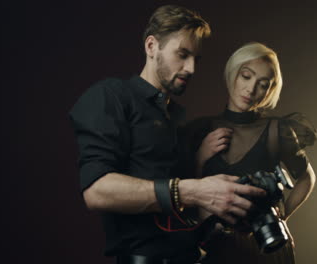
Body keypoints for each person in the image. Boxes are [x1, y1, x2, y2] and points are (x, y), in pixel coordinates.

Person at [69, 6, 266, 264]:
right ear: (152, 46)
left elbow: (178, 206)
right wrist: (193, 190)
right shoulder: (111, 96)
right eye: (182, 54)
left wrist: (221, 204)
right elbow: (97, 190)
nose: (191, 68)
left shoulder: (177, 117)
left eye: (196, 58)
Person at [181, 42, 317, 264]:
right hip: (214, 248)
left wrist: (280, 218)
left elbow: (306, 179)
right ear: (233, 73)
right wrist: (201, 156)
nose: (251, 89)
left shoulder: (278, 130)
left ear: (269, 91)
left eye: (263, 84)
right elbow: (184, 194)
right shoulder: (200, 130)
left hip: (265, 249)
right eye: (246, 76)